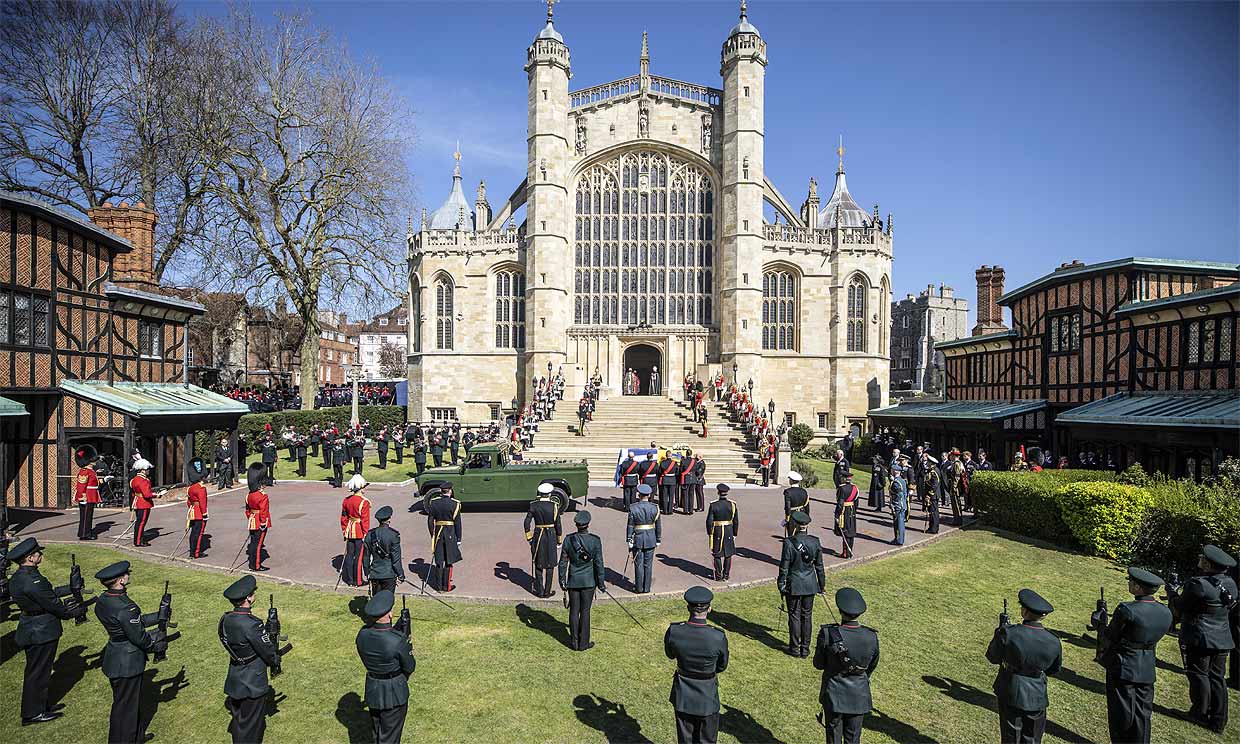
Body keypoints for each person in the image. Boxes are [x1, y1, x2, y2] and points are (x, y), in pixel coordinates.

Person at [8, 537, 84, 725]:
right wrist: (70, 612)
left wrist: (71, 587)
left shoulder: (21, 576)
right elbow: (52, 603)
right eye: (37, 553)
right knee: (38, 673)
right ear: (30, 558)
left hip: (31, 626)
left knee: (37, 670)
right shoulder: (32, 580)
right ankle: (33, 713)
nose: (40, 554)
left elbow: (46, 593)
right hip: (41, 630)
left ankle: (39, 706)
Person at [94, 560, 167, 744]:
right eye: (126, 574)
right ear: (120, 580)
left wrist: (158, 616)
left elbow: (130, 623)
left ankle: (136, 736)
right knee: (126, 707)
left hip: (115, 655)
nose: (128, 576)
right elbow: (138, 636)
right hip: (127, 661)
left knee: (126, 704)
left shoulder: (104, 600)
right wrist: (154, 645)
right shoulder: (126, 606)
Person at [1101, 567, 1173, 744]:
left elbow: (1111, 635)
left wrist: (1099, 622)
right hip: (1147, 665)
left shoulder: (1127, 609)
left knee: (1121, 712)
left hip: (1124, 665)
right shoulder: (1165, 612)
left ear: (1138, 587)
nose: (1129, 584)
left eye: (1131, 582)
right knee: (1142, 712)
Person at [1172, 544, 1237, 733]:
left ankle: (1198, 712)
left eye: (1203, 558)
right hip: (1222, 637)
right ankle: (1218, 720)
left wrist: (1172, 596)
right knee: (1217, 678)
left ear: (1207, 565)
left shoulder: (1198, 584)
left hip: (1200, 636)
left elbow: (1181, 606)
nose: (1200, 558)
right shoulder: (1230, 583)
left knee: (1199, 675)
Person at [986, 588, 1063, 744]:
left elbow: (993, 657)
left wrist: (1000, 632)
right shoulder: (1054, 640)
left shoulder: (1009, 633)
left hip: (1011, 690)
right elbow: (1053, 669)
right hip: (1037, 695)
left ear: (1025, 611)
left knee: (1011, 738)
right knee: (1033, 738)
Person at [814, 587, 880, 744]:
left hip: (834, 695)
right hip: (859, 694)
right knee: (853, 740)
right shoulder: (871, 636)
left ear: (840, 610)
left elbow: (818, 664)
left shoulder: (828, 634)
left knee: (833, 739)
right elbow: (872, 664)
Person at [220, 574, 282, 743]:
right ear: (248, 598)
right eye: (253, 592)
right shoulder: (252, 623)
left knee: (241, 722)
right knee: (251, 727)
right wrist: (275, 660)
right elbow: (268, 652)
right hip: (252, 681)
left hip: (235, 677)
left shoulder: (226, 619)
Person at [665, 586, 728, 744]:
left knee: (685, 740)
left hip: (683, 695)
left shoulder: (675, 631)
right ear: (710, 609)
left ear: (688, 608)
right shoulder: (717, 636)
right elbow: (722, 665)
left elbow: (670, 654)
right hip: (707, 696)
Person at [355, 590, 416, 744]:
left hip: (373, 689)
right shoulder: (398, 641)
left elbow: (381, 637)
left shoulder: (362, 634)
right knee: (390, 738)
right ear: (389, 614)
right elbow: (410, 666)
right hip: (394, 693)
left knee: (377, 733)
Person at [778, 511, 825, 658]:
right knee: (807, 616)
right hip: (810, 583)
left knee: (794, 616)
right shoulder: (815, 541)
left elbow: (784, 567)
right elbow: (820, 567)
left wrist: (781, 584)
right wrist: (821, 585)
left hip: (794, 583)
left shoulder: (789, 542)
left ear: (795, 525)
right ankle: (805, 649)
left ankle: (794, 648)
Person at [559, 510, 606, 651]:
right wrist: (601, 583)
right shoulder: (595, 541)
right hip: (588, 582)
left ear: (577, 525)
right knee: (585, 612)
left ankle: (573, 643)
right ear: (588, 524)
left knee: (573, 611)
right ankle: (583, 643)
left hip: (573, 580)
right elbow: (599, 563)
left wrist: (562, 580)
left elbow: (562, 562)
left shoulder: (568, 540)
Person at [524, 482, 563, 598]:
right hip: (550, 536)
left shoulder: (533, 505)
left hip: (538, 535)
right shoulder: (554, 505)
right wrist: (559, 539)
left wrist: (529, 537)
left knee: (538, 563)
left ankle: (540, 591)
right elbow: (558, 525)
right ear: (550, 494)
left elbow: (526, 522)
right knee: (550, 564)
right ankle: (547, 591)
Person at [426, 484, 463, 592]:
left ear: (441, 491)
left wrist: (432, 534)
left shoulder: (434, 502)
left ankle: (438, 587)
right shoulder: (455, 504)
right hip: (450, 534)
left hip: (438, 534)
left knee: (439, 561)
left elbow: (430, 520)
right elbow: (458, 523)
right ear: (450, 491)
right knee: (448, 560)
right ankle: (446, 586)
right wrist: (459, 538)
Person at [627, 484, 661, 594]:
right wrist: (658, 539)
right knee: (648, 564)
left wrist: (629, 539)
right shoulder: (655, 507)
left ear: (639, 494)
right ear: (649, 494)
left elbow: (630, 525)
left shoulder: (633, 507)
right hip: (651, 538)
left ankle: (639, 588)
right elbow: (658, 525)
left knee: (638, 564)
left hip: (638, 538)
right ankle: (646, 588)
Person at [365, 506, 405, 596]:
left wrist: (367, 572)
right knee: (387, 602)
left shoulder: (370, 534)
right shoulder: (393, 535)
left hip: (374, 573)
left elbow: (365, 556)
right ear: (389, 519)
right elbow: (396, 559)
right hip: (388, 573)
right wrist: (400, 574)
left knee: (376, 601)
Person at [340, 474, 372, 587]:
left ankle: (349, 580)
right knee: (359, 557)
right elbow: (365, 520)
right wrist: (365, 533)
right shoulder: (364, 502)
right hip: (359, 531)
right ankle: (358, 581)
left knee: (349, 555)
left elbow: (343, 518)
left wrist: (344, 530)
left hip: (349, 529)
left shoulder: (346, 500)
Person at [706, 484, 738, 582]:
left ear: (718, 492)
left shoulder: (713, 505)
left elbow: (709, 521)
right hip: (728, 530)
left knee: (717, 554)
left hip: (717, 530)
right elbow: (736, 521)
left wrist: (710, 532)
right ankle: (726, 575)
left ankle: (718, 576)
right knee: (728, 554)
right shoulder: (732, 505)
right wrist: (734, 533)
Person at [245, 462, 272, 571]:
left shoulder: (249, 495)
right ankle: (256, 565)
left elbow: (248, 511)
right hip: (260, 522)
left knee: (253, 543)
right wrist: (262, 523)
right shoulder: (262, 496)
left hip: (252, 521)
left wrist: (251, 518)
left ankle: (252, 563)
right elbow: (264, 512)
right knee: (258, 544)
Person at [833, 469, 859, 559]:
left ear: (843, 479)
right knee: (851, 531)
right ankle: (850, 551)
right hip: (852, 511)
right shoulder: (855, 488)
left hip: (844, 511)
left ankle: (846, 553)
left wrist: (837, 515)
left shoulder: (842, 488)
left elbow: (840, 503)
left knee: (845, 532)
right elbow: (856, 502)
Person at [187, 457, 210, 559]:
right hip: (199, 513)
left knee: (193, 533)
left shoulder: (190, 488)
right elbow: (203, 503)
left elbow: (189, 502)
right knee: (199, 533)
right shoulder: (201, 488)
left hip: (192, 511)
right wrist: (204, 513)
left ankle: (192, 551)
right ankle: (196, 553)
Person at [130, 457, 156, 547]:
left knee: (139, 522)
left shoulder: (135, 479)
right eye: (147, 469)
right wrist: (156, 495)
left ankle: (138, 539)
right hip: (144, 503)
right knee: (141, 523)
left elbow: (134, 493)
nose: (148, 471)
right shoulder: (143, 480)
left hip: (138, 502)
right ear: (142, 470)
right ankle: (138, 541)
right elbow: (147, 495)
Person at [783, 471, 810, 538]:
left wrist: (787, 519)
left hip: (793, 516)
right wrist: (806, 517)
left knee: (791, 536)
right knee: (803, 535)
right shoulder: (804, 491)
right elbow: (807, 506)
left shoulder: (788, 492)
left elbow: (787, 507)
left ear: (791, 481)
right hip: (802, 514)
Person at [889, 458, 909, 546]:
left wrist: (893, 504)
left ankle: (899, 540)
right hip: (901, 504)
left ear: (895, 471)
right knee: (898, 523)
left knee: (899, 523)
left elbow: (898, 494)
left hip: (898, 505)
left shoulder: (896, 482)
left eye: (892, 470)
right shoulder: (902, 480)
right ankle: (898, 538)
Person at [922, 455, 941, 534]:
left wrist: (929, 495)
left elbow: (934, 485)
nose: (927, 464)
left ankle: (934, 529)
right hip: (931, 495)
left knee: (933, 512)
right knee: (931, 512)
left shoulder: (934, 472)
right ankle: (931, 527)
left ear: (932, 463)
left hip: (933, 495)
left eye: (929, 462)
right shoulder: (931, 470)